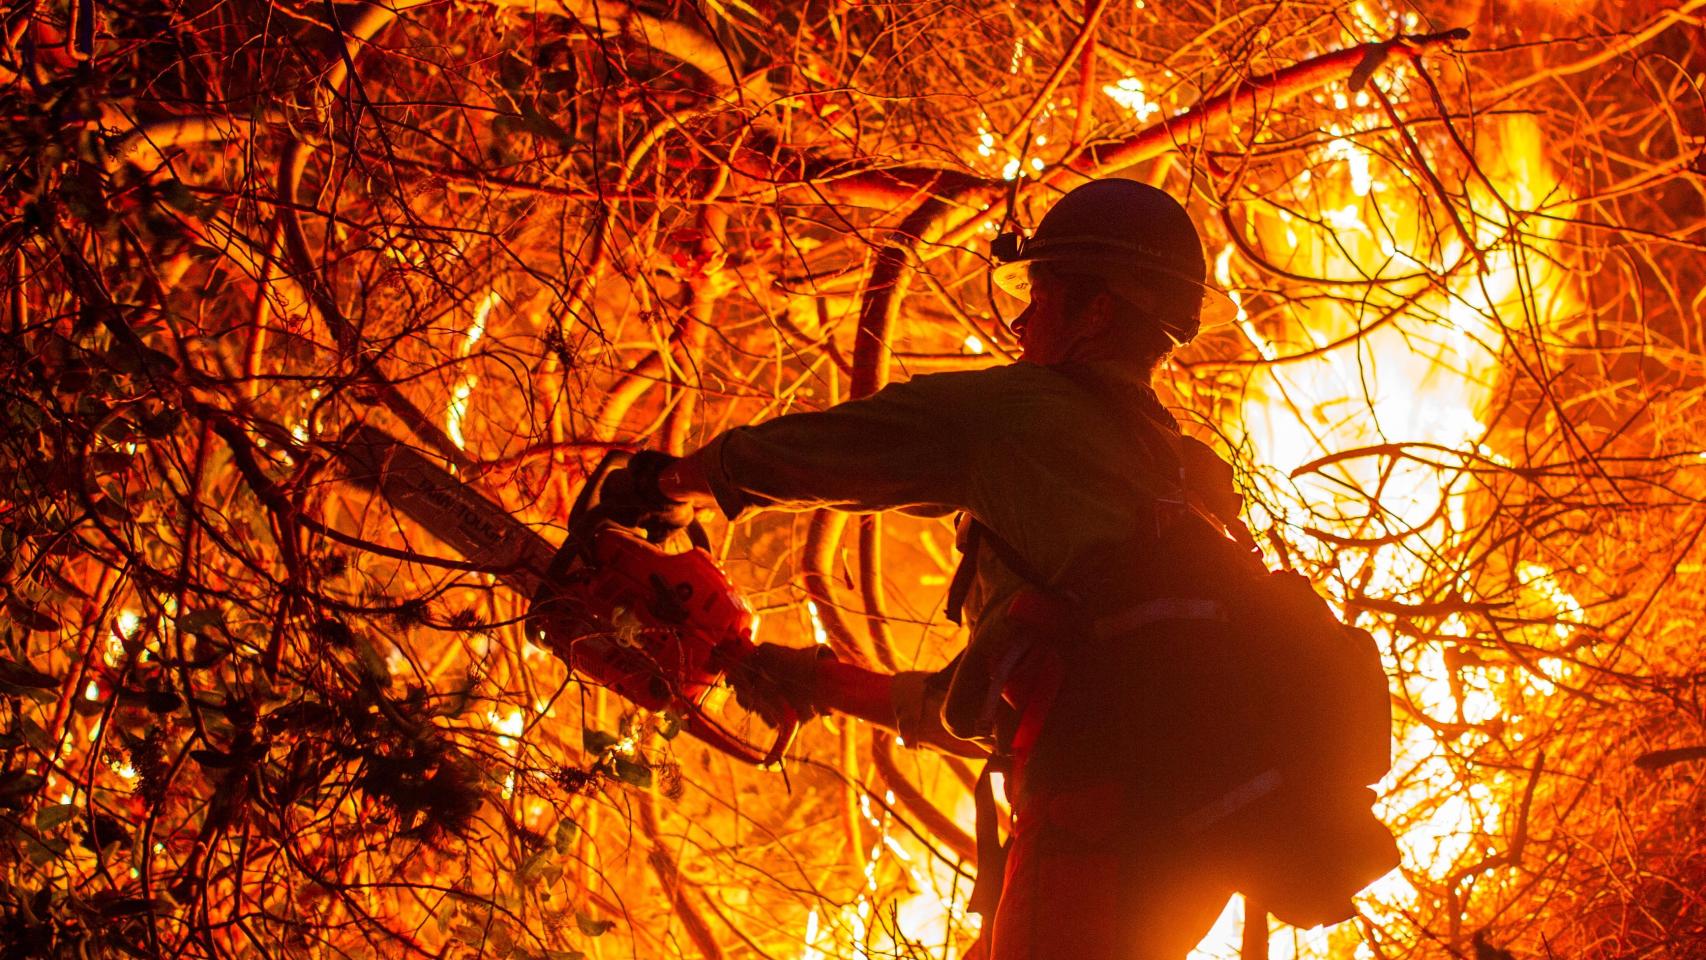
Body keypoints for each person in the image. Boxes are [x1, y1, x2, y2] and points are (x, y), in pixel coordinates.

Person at [600, 179, 1293, 959]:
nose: (1025, 321)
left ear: (1096, 311)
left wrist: (674, 487)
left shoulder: (1023, 415)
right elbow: (1003, 715)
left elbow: (829, 452)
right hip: (1174, 859)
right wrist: (819, 682)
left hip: (1093, 834)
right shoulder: (1176, 478)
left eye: (1042, 292)